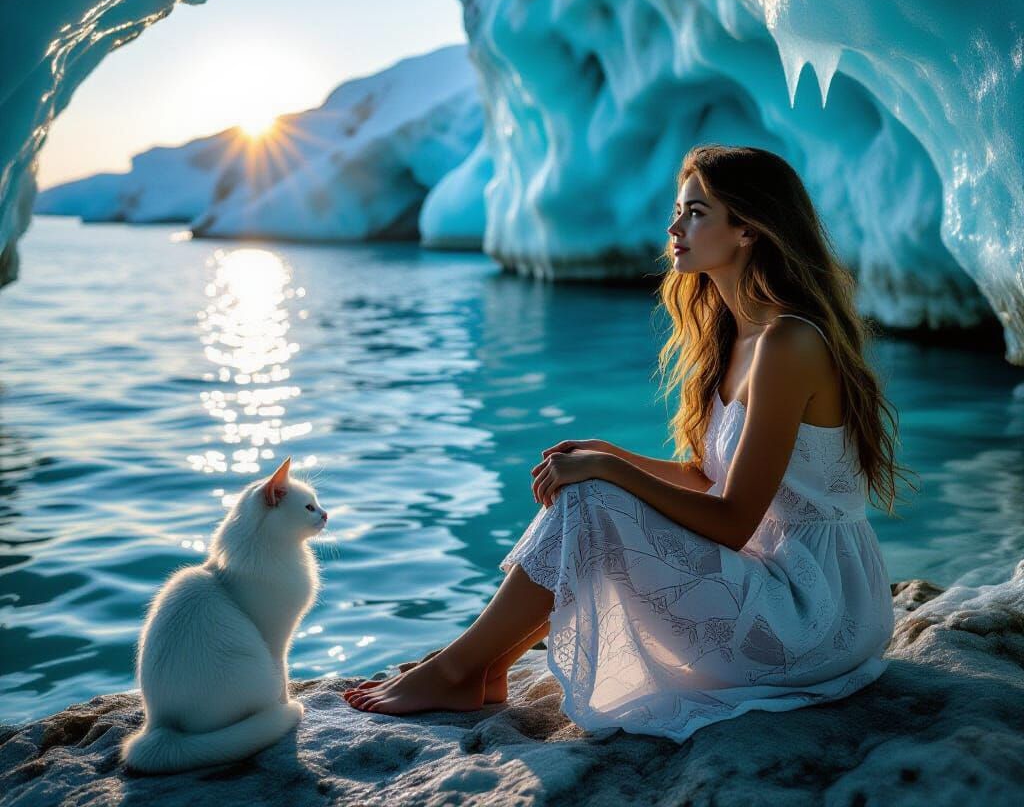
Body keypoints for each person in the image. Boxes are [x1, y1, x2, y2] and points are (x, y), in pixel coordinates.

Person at [343, 143, 916, 741]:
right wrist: (608, 455)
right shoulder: (741, 337)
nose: (674, 227)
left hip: (814, 614)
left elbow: (734, 520)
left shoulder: (786, 343)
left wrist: (607, 474)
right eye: (679, 210)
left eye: (696, 212)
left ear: (747, 229)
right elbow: (707, 478)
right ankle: (485, 664)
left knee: (593, 499)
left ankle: (459, 666)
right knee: (589, 490)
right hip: (781, 588)